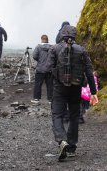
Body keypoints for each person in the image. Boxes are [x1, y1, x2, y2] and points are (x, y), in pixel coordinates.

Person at [45, 24, 98, 161]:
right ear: (74, 35)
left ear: (62, 34)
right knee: (74, 116)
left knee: (57, 114)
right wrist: (93, 92)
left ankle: (61, 140)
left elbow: (47, 68)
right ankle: (72, 147)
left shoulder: (54, 48)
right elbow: (89, 72)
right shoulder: (81, 50)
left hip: (59, 88)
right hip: (76, 88)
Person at [31, 34, 53, 104]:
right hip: (49, 69)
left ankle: (36, 99)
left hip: (40, 69)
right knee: (50, 85)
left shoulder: (38, 47)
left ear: (41, 39)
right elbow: (54, 57)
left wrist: (39, 60)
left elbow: (34, 56)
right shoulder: (51, 47)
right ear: (47, 40)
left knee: (38, 84)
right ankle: (51, 100)